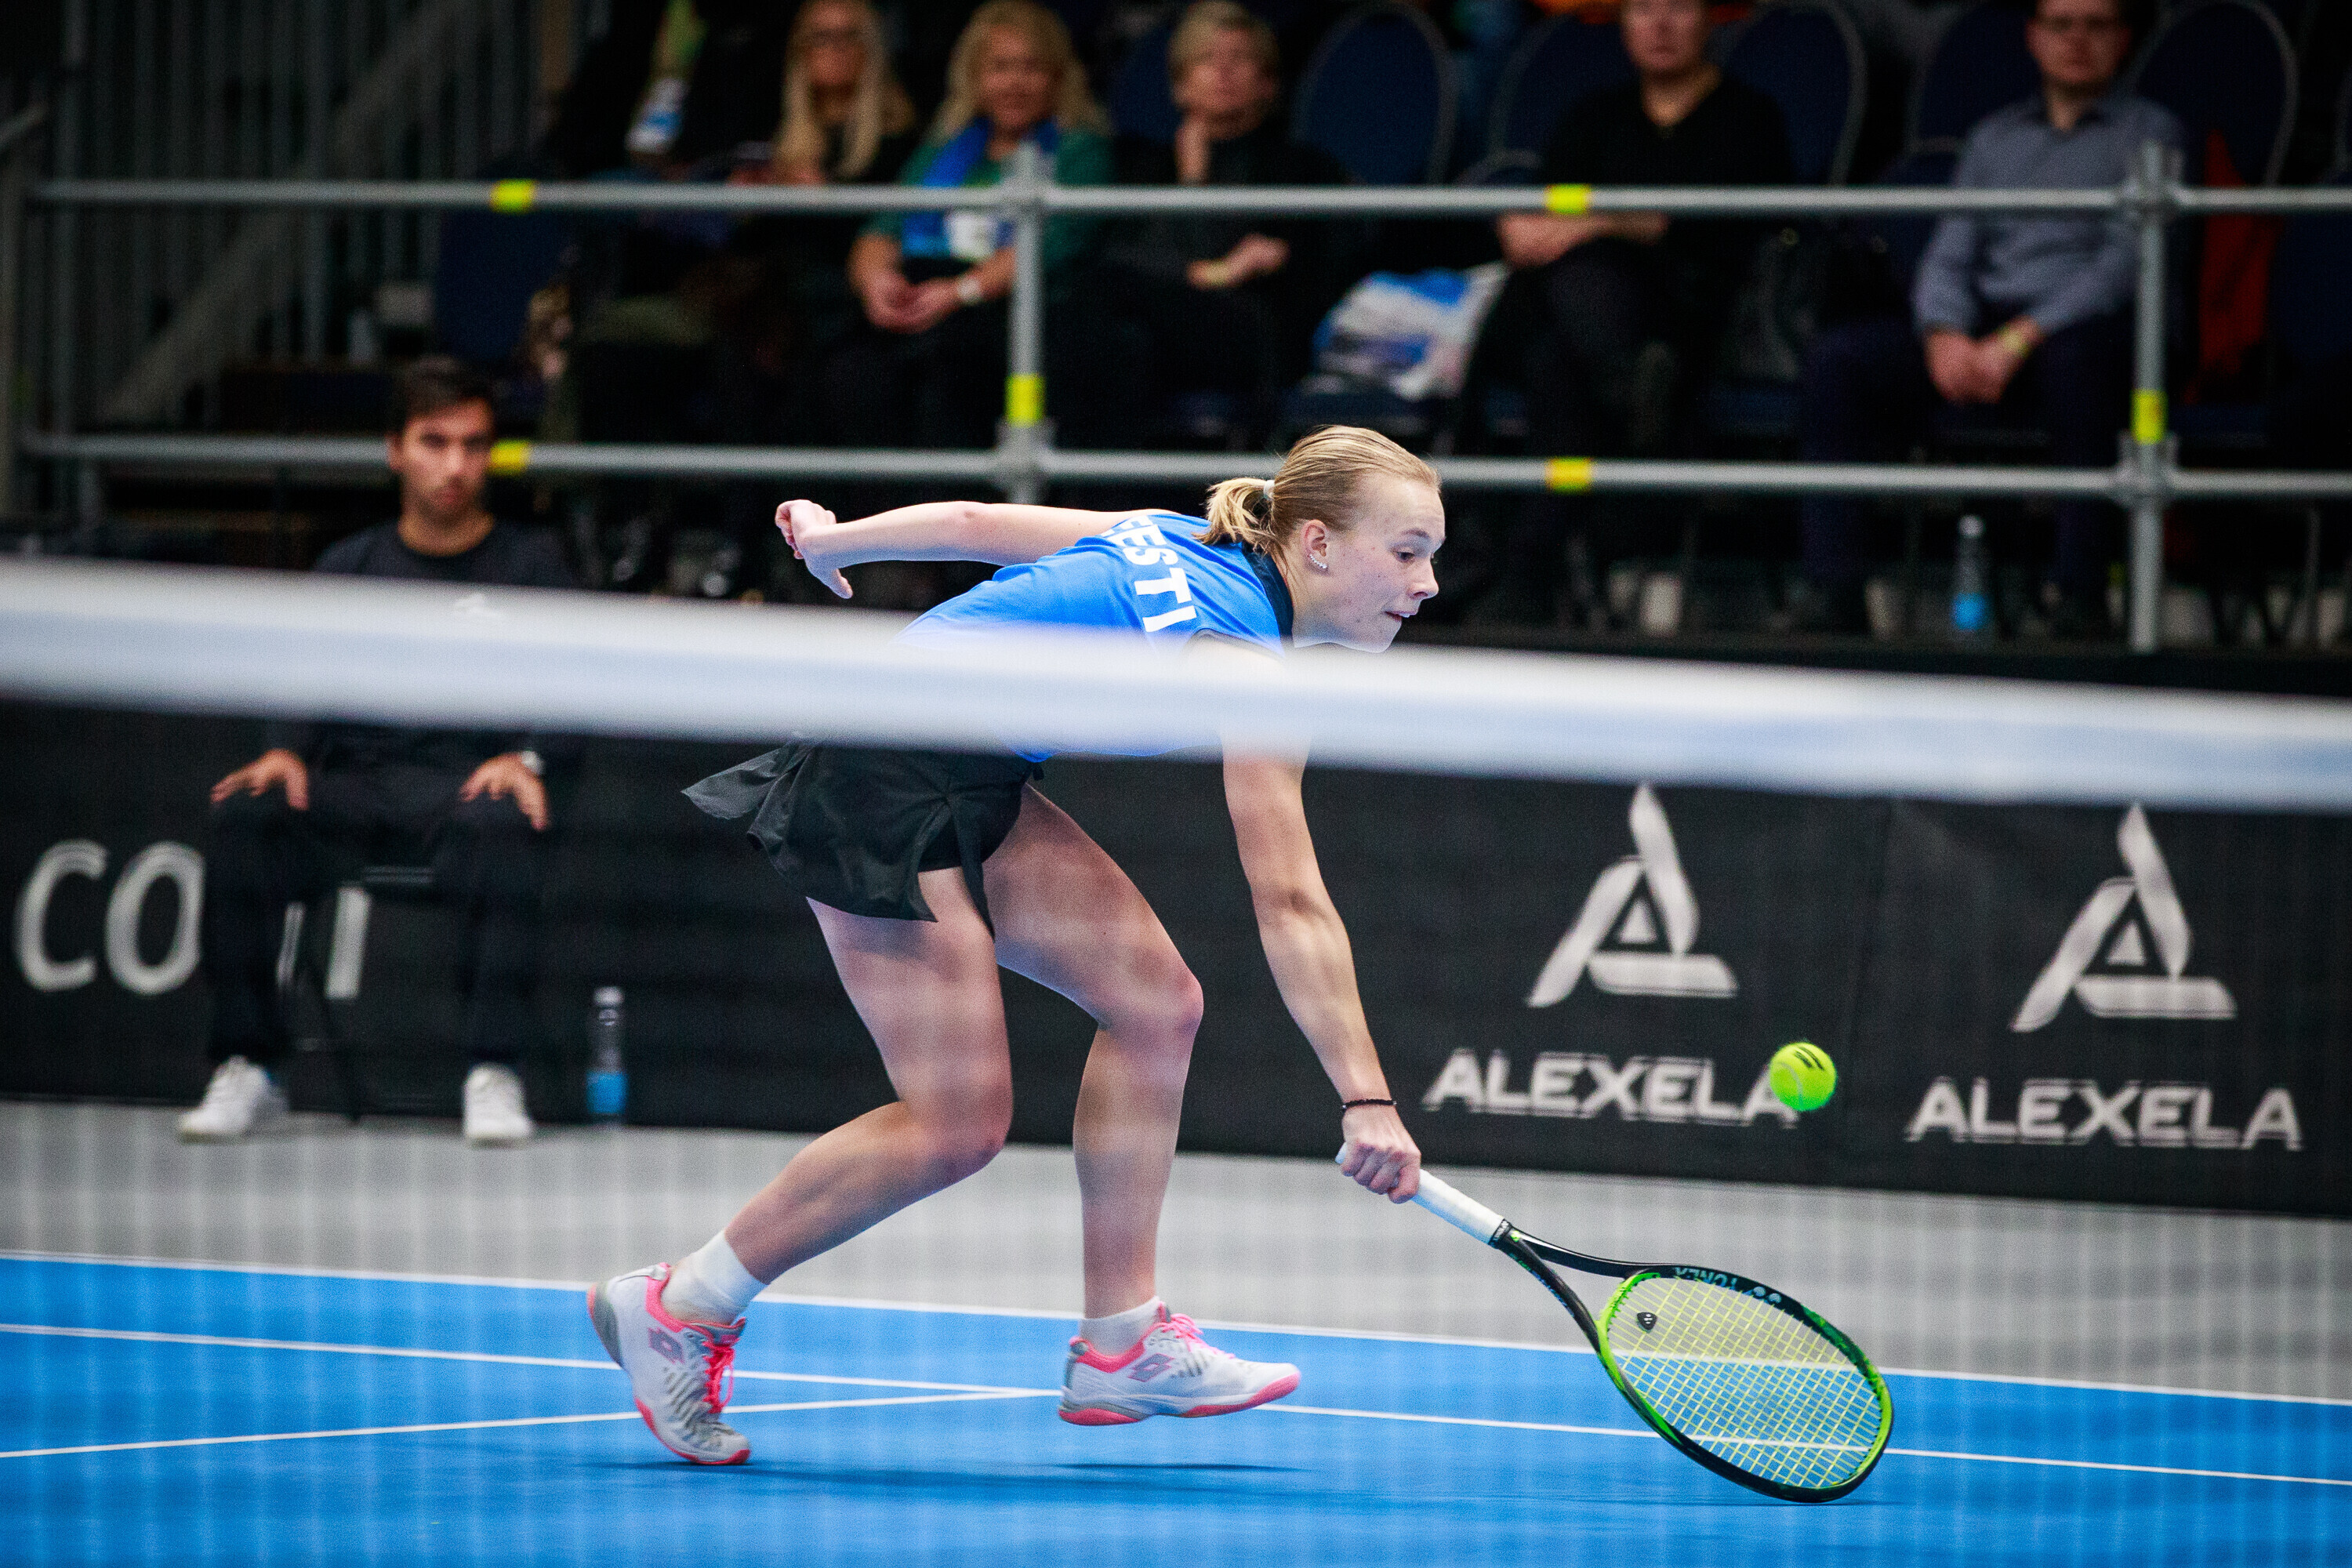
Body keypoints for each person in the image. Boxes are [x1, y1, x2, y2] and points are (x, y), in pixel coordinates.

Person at [587, 425, 1437, 1465]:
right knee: (956, 1123)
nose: (1428, 582)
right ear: (1316, 544)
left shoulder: (1176, 534)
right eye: (1406, 551)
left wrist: (837, 543)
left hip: (970, 765)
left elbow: (975, 523)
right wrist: (1366, 1099)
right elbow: (1291, 902)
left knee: (1157, 1006)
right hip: (880, 770)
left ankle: (1121, 1344)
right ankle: (682, 1304)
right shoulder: (1246, 665)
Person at [180, 360, 575, 1147]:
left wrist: (526, 760)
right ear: (395, 450)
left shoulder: (533, 566)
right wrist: (285, 752)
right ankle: (247, 1063)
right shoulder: (348, 567)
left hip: (465, 791)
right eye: (435, 442)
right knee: (247, 815)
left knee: (504, 823)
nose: (456, 465)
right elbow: (302, 679)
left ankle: (493, 1070)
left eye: (474, 445)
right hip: (355, 788)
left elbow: (581, 688)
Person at [1788, 0, 2181, 637]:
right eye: (2061, 24)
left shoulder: (2151, 133)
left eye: (2096, 25)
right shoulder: (1994, 137)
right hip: (1987, 328)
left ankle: (2080, 597)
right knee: (1842, 361)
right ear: (2033, 36)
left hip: (2079, 328)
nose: (2077, 40)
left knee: (2082, 365)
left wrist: (2021, 337)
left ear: (2123, 39)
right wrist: (1943, 335)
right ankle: (1834, 590)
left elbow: (2124, 267)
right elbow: (1950, 254)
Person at [1482, 0, 1792, 628]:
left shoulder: (1748, 117)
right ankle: (1628, 388)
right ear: (1622, 22)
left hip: (1699, 320)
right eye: (1644, 8)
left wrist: (1604, 223)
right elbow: (1554, 209)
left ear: (1709, 18)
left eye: (1678, 6)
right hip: (1606, 333)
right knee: (1559, 336)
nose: (1661, 24)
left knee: (1560, 336)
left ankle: (1525, 575)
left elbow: (1725, 233)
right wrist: (1527, 228)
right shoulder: (1596, 116)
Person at [824, 1, 1116, 456]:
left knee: (946, 367)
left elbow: (1050, 244)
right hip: (923, 298)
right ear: (975, 77)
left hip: (1011, 314)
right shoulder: (947, 144)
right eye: (999, 67)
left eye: (1031, 68)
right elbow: (884, 226)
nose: (1014, 83)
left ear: (1058, 77)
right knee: (850, 369)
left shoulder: (1080, 149)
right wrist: (876, 282)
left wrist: (958, 293)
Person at [707, 0, 923, 597]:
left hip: (855, 309)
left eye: (848, 36)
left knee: (838, 377)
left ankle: (851, 554)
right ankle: (745, 548)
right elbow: (756, 244)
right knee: (738, 363)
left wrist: (823, 198)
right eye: (819, 37)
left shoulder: (900, 135)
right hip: (779, 308)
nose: (833, 49)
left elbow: (892, 230)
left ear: (872, 49)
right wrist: (755, 199)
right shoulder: (778, 127)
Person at [1103, 1, 1360, 444]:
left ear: (1267, 83)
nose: (1223, 71)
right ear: (1180, 86)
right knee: (1116, 336)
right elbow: (1119, 260)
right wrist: (1193, 193)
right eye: (1206, 59)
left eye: (1240, 59)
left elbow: (1291, 272)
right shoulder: (1142, 165)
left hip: (1252, 339)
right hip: (1159, 331)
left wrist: (1195, 203)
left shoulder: (1299, 168)